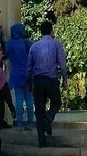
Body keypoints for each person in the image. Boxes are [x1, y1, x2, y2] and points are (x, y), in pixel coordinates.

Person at [26, 19, 68, 148]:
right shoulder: (56, 44)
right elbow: (62, 63)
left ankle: (41, 140)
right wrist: (65, 78)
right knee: (56, 102)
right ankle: (48, 119)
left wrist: (29, 82)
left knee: (39, 110)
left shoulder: (34, 46)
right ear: (51, 30)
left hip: (38, 80)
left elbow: (29, 66)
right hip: (51, 80)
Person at [5, 23, 35, 129]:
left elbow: (6, 55)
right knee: (29, 99)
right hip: (28, 75)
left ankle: (20, 123)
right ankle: (31, 122)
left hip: (16, 74)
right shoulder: (28, 43)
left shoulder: (9, 44)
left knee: (19, 99)